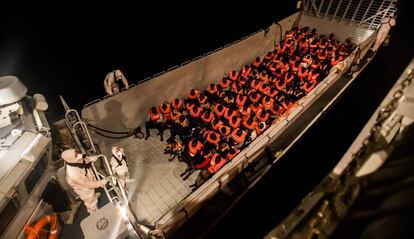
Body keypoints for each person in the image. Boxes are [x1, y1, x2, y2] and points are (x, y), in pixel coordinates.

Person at [61, 149, 110, 214]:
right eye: (75, 154)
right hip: (83, 188)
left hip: (87, 176)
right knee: (90, 201)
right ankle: (93, 212)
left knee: (93, 191)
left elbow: (84, 159)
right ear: (71, 158)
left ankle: (94, 195)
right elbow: (88, 184)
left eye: (75, 152)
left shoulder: (73, 159)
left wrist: (92, 158)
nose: (77, 153)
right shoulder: (73, 174)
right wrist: (102, 182)